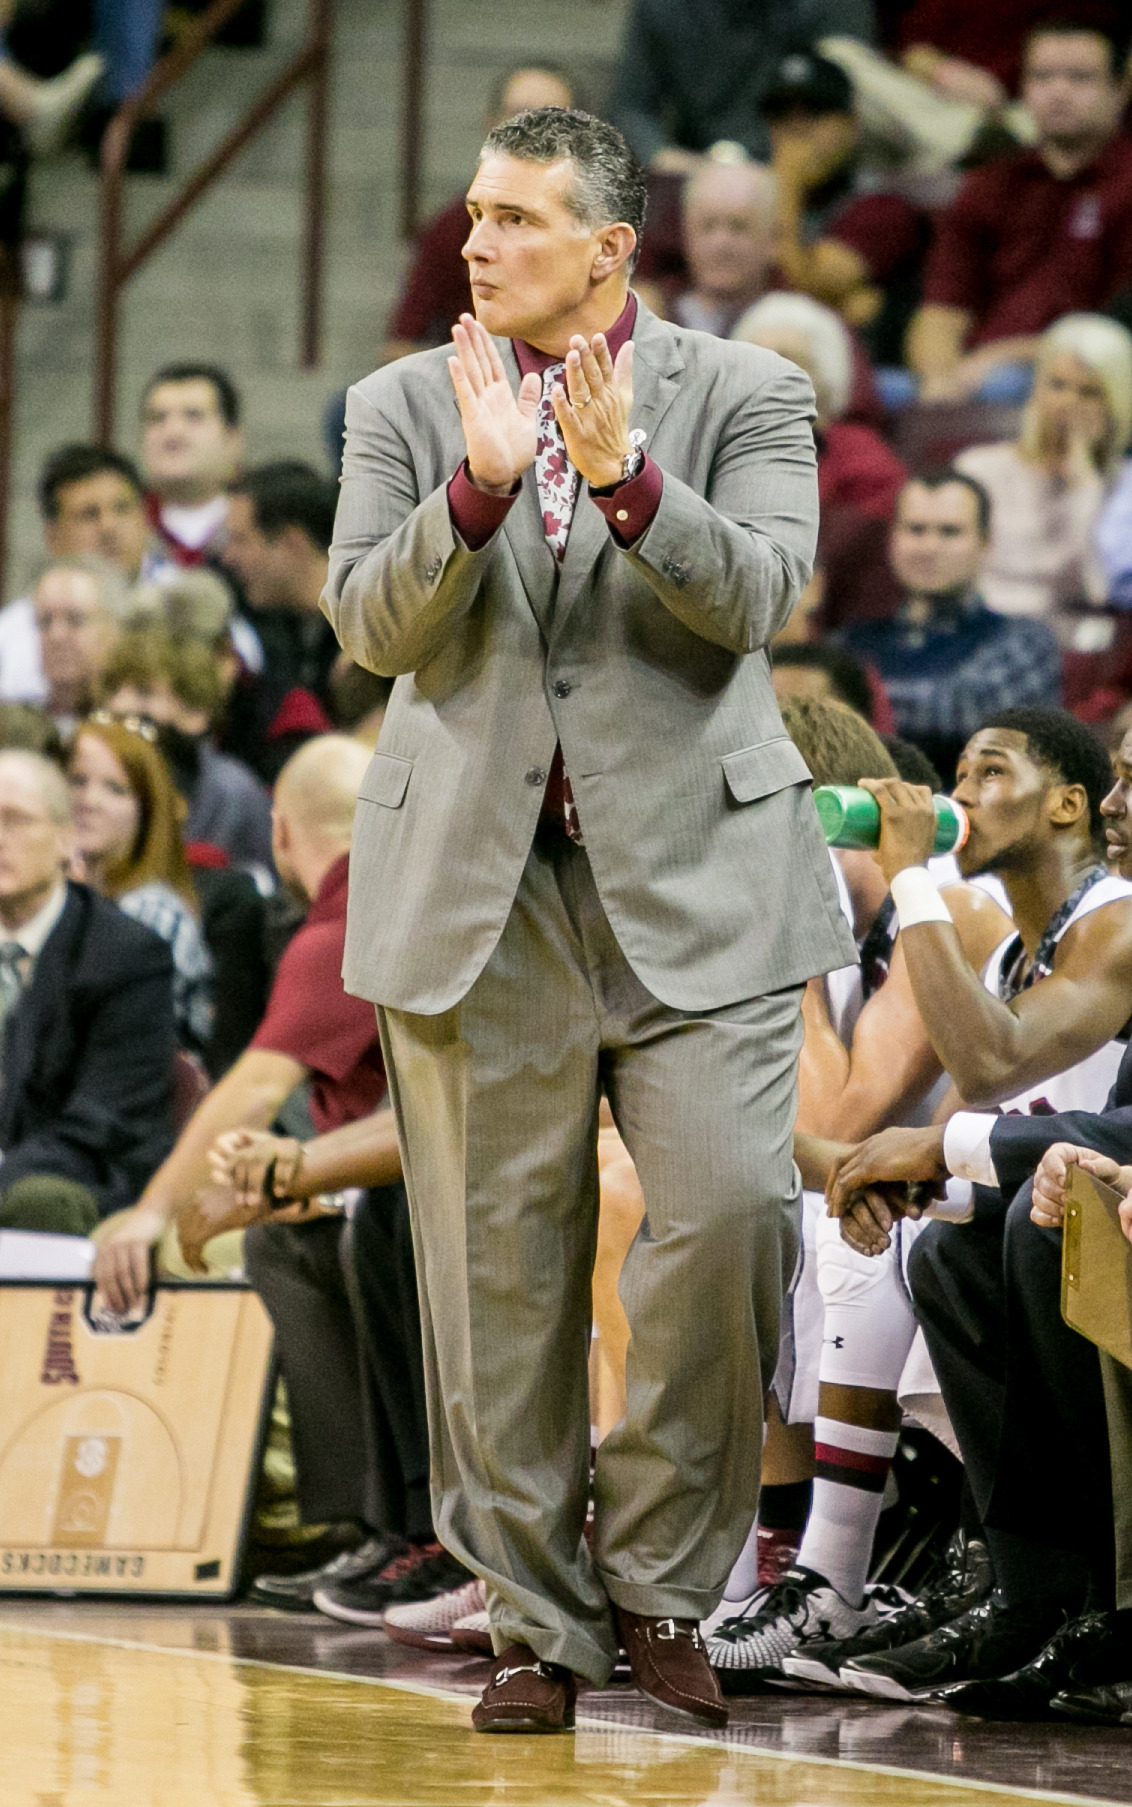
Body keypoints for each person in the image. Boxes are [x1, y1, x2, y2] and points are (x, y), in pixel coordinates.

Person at [324, 104, 855, 1734]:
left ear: (610, 249)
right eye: (472, 215)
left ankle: (660, 1579)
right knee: (497, 1278)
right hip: (484, 898)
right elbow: (367, 624)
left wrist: (626, 483)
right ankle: (532, 1622)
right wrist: (475, 499)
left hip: (701, 881)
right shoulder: (401, 405)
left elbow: (761, 595)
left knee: (726, 1222)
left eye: (513, 220)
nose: (474, 244)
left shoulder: (747, 393)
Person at [816, 710, 1132, 1710]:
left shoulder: (1113, 918)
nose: (957, 794)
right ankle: (1029, 1586)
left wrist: (914, 879)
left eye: (986, 772)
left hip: (1089, 1204)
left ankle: (845, 1570)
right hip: (1077, 1192)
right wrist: (911, 1180)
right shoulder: (1020, 948)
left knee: (1040, 1231)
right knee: (948, 1241)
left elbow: (986, 1070)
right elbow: (993, 1110)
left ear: (1065, 806)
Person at [706, 698, 1010, 1680]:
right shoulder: (842, 917)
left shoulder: (945, 902)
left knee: (818, 1220)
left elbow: (834, 1126)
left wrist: (783, 965)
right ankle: (715, 1560)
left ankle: (817, 1569)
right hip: (927, 1186)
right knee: (691, 1200)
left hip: (999, 1185)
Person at [91, 735, 378, 1306]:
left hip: (394, 1211)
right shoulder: (409, 901)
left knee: (126, 1243)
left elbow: (254, 1092)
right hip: (392, 1191)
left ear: (279, 832)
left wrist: (152, 1213)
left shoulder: (343, 928)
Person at [203, 1110, 457, 1627]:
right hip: (389, 1169)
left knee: (406, 1212)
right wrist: (294, 1169)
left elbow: (451, 1115)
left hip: (457, 1167)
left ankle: (455, 1529)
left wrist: (291, 1171)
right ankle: (386, 1527)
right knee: (287, 1239)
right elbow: (412, 1110)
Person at [907, 22, 1132, 401]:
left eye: (1080, 78)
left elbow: (1118, 331)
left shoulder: (1125, 185)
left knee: (1008, 386)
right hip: (975, 378)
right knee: (863, 392)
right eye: (1043, 77)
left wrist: (1004, 356)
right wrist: (939, 380)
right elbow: (942, 310)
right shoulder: (988, 185)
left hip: (1087, 381)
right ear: (1023, 87)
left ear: (1119, 89)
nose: (1058, 91)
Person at [0, 748, 175, 1233]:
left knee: (37, 1202)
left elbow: (103, 1124)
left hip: (77, 1177)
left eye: (15, 821)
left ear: (65, 838)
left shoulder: (126, 955)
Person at [835, 471, 1061, 782]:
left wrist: (844, 703)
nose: (929, 547)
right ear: (893, 539)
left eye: (950, 532)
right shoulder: (851, 641)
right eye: (916, 530)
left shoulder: (1025, 641)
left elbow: (965, 710)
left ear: (985, 542)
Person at [382, 64, 575, 364]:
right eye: (520, 116)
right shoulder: (452, 227)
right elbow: (399, 348)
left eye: (554, 120)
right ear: (491, 126)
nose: (536, 134)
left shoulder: (604, 226)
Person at [735, 291, 907, 624]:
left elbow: (842, 555)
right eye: (752, 357)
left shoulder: (863, 456)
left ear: (825, 377)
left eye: (786, 358)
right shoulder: (715, 449)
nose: (765, 372)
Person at [954, 313, 1132, 633]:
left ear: (1116, 404)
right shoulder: (978, 468)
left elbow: (1096, 593)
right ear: (1036, 388)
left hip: (1075, 637)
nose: (1067, 403)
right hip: (982, 631)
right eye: (1057, 385)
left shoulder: (1125, 487)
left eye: (1089, 393)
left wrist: (1084, 487)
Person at [67, 714, 212, 1054]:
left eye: (115, 789)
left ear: (146, 813)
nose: (89, 801)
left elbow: (105, 1030)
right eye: (77, 781)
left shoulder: (156, 913)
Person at [762, 51, 928, 339]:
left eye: (814, 111)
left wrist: (787, 182)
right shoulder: (741, 193)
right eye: (780, 113)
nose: (796, 127)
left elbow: (799, 292)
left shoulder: (883, 206)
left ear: (852, 124)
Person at [607, 0, 876, 171]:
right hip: (694, 166)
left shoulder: (823, 8)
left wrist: (789, 168)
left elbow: (845, 102)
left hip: (800, 171)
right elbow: (630, 108)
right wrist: (664, 157)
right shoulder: (664, 8)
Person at [0, 445, 172, 708]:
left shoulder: (184, 606)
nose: (108, 527)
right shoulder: (9, 634)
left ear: (145, 518)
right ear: (52, 535)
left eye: (122, 509)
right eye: (89, 514)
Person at [100, 627, 274, 874]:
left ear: (193, 708)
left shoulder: (229, 792)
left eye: (144, 692)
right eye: (113, 689)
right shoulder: (92, 777)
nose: (118, 705)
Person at [221, 462, 339, 781]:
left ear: (291, 543)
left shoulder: (369, 636)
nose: (228, 557)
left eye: (240, 540)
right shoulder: (265, 631)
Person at [140, 363, 244, 566]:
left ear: (233, 439)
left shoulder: (258, 531)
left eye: (193, 416)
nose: (173, 432)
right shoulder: (121, 529)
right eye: (158, 418)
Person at [33, 553, 142, 736]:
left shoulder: (135, 724)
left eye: (75, 620)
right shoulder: (16, 726)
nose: (56, 635)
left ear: (115, 629)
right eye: (45, 621)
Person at [667, 161, 779, 336]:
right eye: (707, 226)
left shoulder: (797, 326)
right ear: (686, 233)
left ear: (772, 238)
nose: (721, 243)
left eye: (738, 226)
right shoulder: (646, 315)